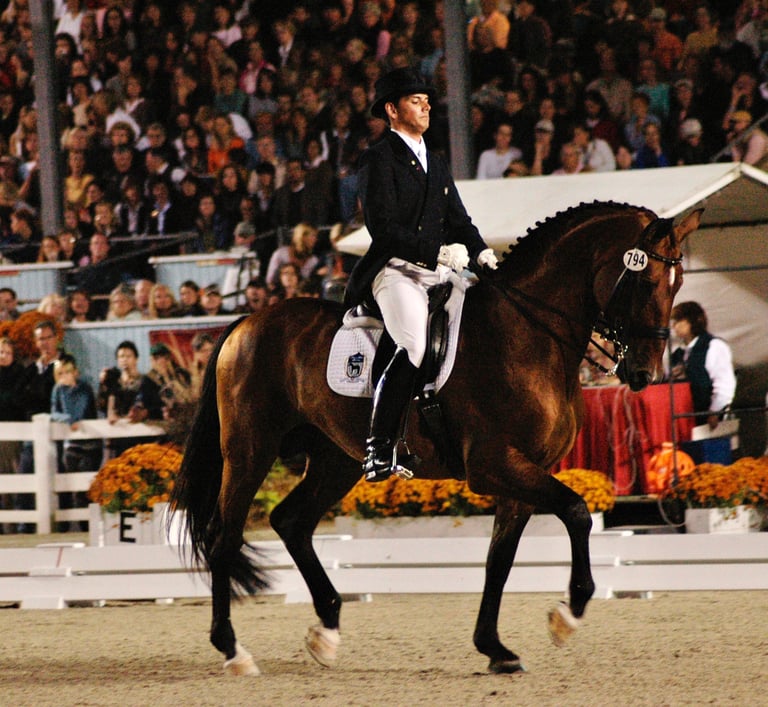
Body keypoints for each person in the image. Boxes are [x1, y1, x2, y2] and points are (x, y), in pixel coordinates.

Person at [344, 67, 497, 482]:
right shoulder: (378, 158)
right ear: (392, 110)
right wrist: (438, 251)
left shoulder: (437, 160)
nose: (426, 104)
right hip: (395, 271)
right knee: (412, 342)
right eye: (415, 100)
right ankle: (378, 449)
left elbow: (459, 220)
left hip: (439, 269)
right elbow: (384, 229)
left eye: (427, 100)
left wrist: (483, 254)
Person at [50, 354, 102, 529]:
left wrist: (72, 391)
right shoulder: (58, 390)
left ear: (75, 372)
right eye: (61, 373)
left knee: (86, 487)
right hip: (71, 445)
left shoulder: (85, 388)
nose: (64, 376)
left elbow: (83, 410)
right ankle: (80, 526)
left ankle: (88, 526)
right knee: (73, 487)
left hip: (90, 445)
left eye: (68, 372)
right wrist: (67, 418)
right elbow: (54, 412)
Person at [670, 301, 736, 429]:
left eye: (678, 321)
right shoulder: (677, 354)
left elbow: (725, 385)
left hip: (707, 420)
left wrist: (714, 411)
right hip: (683, 420)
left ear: (693, 321)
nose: (674, 326)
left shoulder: (714, 346)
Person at [97, 340, 164, 457]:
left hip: (141, 439)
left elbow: (158, 408)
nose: (124, 359)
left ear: (136, 359)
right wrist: (102, 385)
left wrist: (144, 413)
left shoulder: (147, 382)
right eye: (121, 356)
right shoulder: (113, 383)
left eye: (128, 356)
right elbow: (101, 406)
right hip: (117, 439)